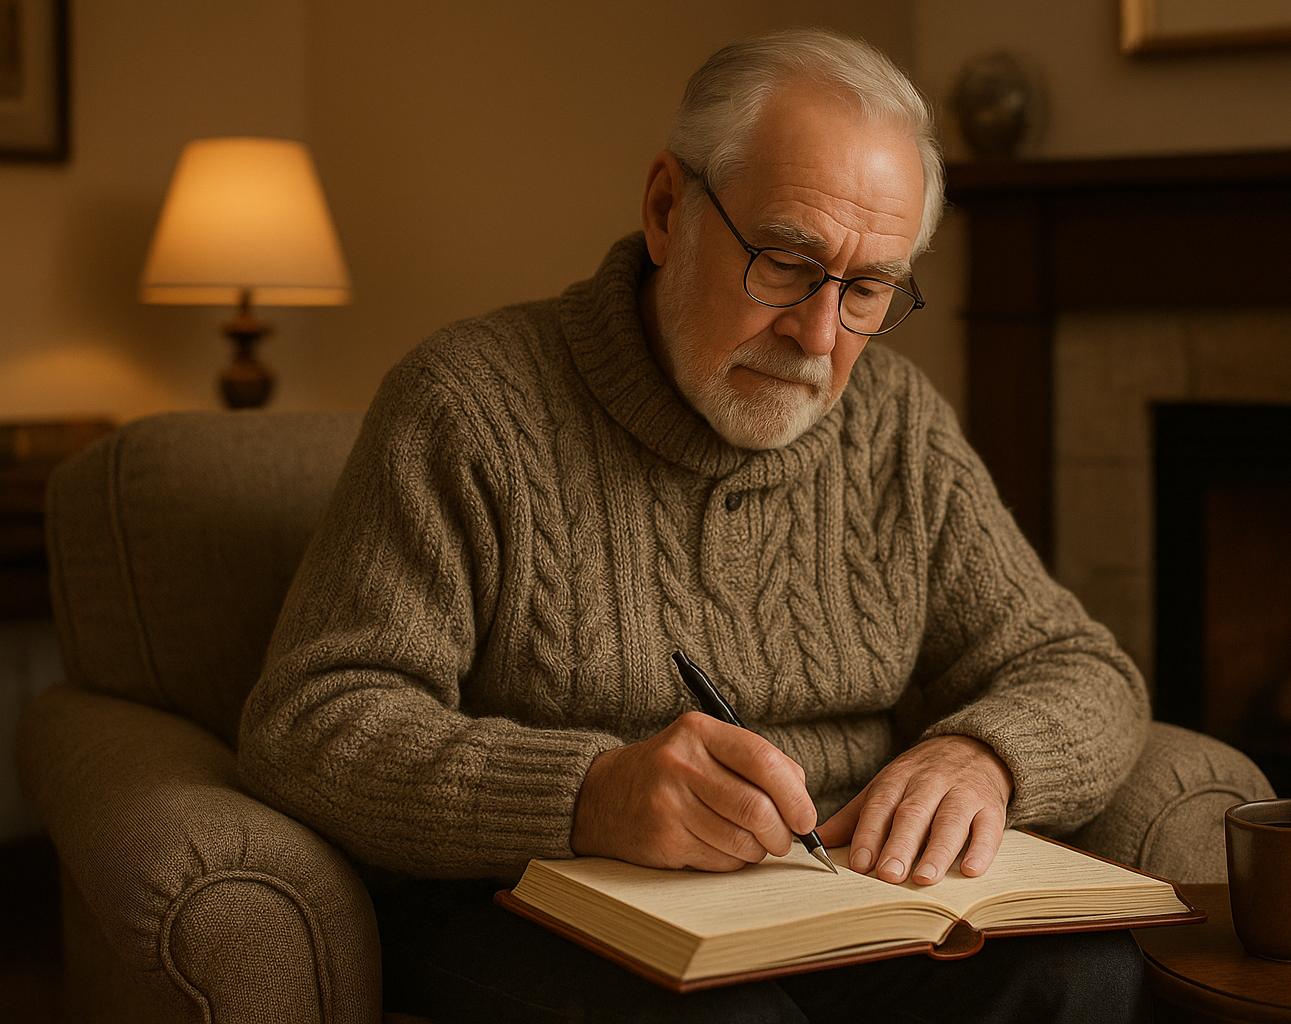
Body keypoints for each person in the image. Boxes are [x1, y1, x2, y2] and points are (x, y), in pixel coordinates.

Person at [238, 28, 1152, 1023]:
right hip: (537, 896)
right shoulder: (467, 404)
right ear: (669, 208)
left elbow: (1083, 667)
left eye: (869, 289)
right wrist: (589, 792)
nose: (818, 335)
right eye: (786, 262)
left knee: (1082, 978)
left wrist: (985, 754)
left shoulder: (896, 423)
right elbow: (310, 720)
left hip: (831, 891)